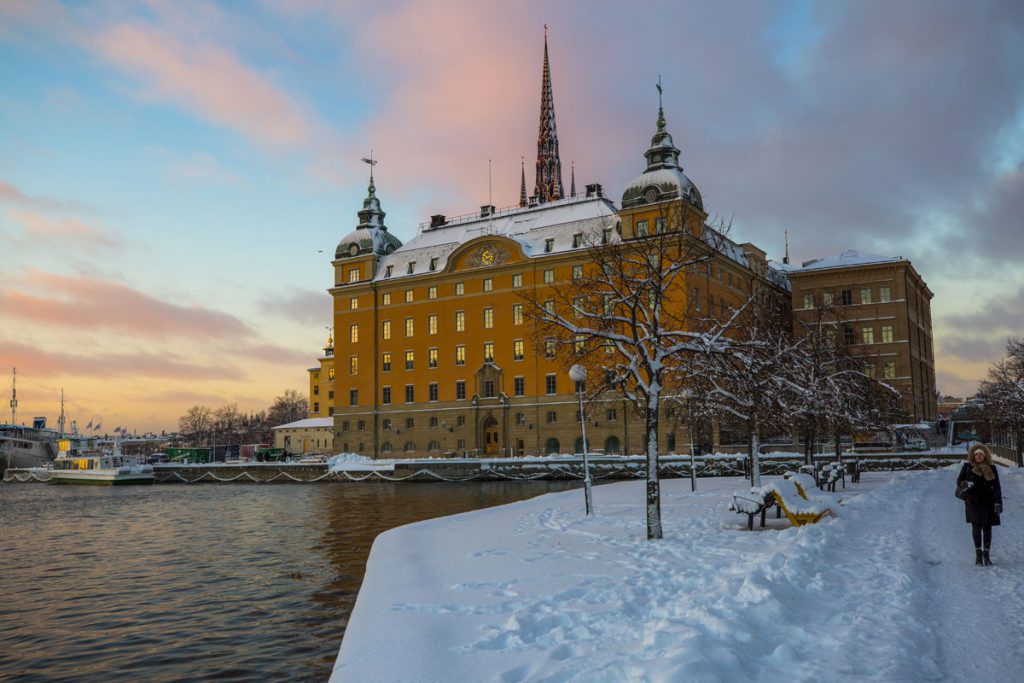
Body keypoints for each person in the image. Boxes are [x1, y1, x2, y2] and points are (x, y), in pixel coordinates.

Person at [957, 444, 1003, 565]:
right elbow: (959, 481)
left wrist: (998, 502)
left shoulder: (991, 468)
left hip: (989, 502)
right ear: (973, 455)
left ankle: (986, 556)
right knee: (976, 529)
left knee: (987, 529)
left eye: (981, 454)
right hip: (973, 503)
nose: (978, 456)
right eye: (976, 454)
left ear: (985, 456)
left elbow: (997, 486)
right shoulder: (967, 467)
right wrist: (964, 484)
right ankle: (978, 556)